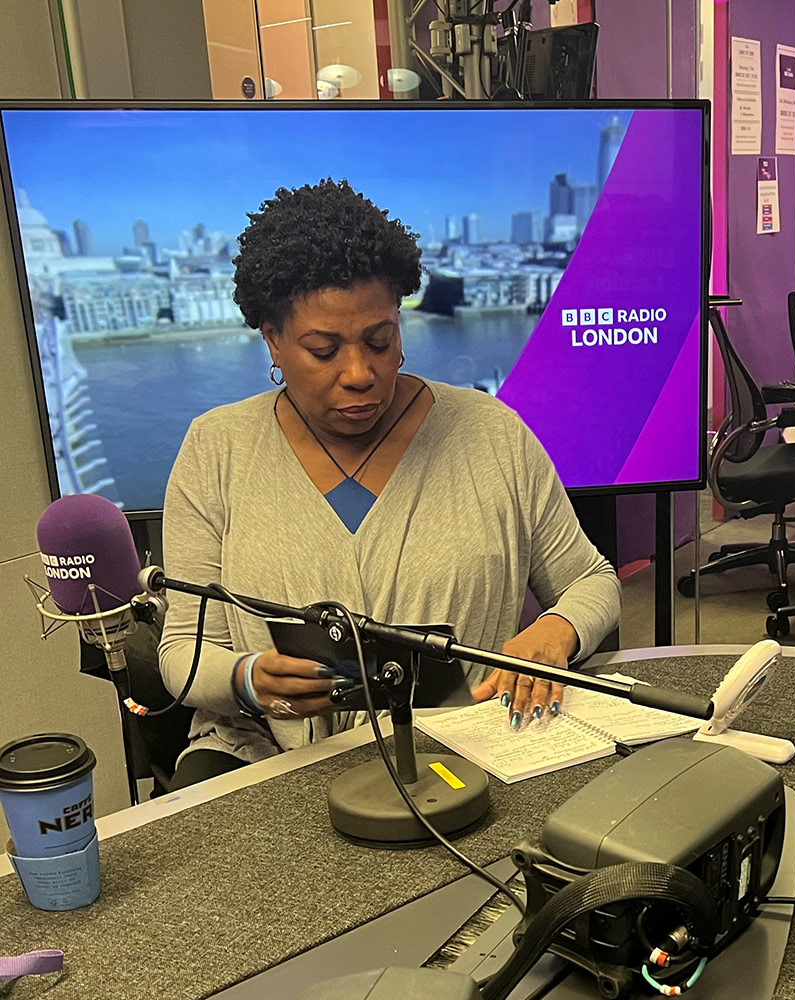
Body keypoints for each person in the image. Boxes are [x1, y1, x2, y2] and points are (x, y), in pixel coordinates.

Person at [158, 179, 621, 790]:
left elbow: (592, 581)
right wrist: (247, 679)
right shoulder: (215, 449)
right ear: (272, 340)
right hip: (274, 762)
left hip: (464, 761)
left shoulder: (493, 435)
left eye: (380, 340)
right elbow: (183, 653)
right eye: (323, 350)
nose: (360, 373)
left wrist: (556, 631)